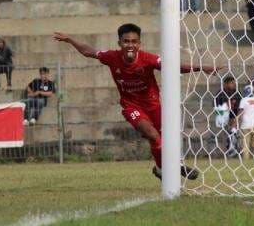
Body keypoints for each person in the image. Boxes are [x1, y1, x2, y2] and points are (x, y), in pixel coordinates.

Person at [53, 23, 220, 180]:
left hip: (154, 105)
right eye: (126, 41)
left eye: (134, 41)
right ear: (119, 42)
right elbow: (89, 51)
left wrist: (201, 67)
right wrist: (69, 40)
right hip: (131, 106)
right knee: (152, 135)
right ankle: (176, 166)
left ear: (139, 43)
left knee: (161, 140)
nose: (130, 45)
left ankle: (162, 169)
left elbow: (173, 65)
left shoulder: (148, 59)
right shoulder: (112, 57)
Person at [214, 76, 241, 157]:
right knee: (224, 137)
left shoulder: (236, 93)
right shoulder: (220, 94)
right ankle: (224, 154)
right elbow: (216, 108)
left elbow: (240, 106)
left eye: (234, 83)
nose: (234, 84)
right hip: (223, 119)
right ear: (226, 84)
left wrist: (235, 119)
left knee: (234, 135)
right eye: (232, 83)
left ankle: (234, 151)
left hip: (233, 118)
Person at [236, 84, 254, 161]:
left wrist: (236, 119)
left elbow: (241, 111)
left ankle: (246, 158)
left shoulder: (243, 100)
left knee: (245, 144)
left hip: (245, 125)